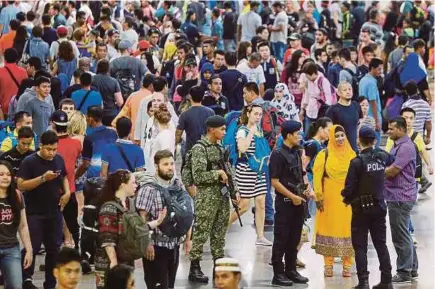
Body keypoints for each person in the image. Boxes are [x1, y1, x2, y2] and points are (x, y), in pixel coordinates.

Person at [186, 116, 239, 284]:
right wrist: (217, 174)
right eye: (222, 129)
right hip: (207, 197)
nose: (224, 132)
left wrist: (234, 191)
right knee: (201, 232)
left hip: (222, 196)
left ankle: (219, 266)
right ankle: (194, 268)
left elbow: (228, 170)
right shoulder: (200, 149)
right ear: (211, 130)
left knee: (219, 233)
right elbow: (198, 176)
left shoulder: (219, 147)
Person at [342, 126, 394, 289]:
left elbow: (349, 188)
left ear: (359, 141)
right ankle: (387, 280)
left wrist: (346, 197)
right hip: (379, 206)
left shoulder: (356, 162)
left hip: (361, 209)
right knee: (381, 244)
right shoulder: (382, 156)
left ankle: (363, 281)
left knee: (360, 246)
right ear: (375, 141)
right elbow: (392, 159)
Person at [17, 130, 70, 289]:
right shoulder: (29, 162)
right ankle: (26, 279)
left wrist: (67, 192)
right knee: (31, 247)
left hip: (54, 211)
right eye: (48, 149)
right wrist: (42, 179)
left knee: (54, 249)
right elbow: (20, 185)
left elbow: (64, 177)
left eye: (54, 149)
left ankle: (51, 283)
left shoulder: (58, 160)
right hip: (34, 213)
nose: (52, 153)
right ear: (40, 145)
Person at [136, 149, 192, 289]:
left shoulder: (178, 186)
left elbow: (187, 212)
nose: (170, 167)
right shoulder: (148, 189)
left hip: (174, 247)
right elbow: (142, 218)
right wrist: (147, 243)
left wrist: (188, 238)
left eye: (172, 163)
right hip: (155, 248)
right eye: (165, 164)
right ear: (156, 166)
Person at [269, 120, 310, 286]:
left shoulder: (297, 152)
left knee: (294, 238)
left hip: (299, 202)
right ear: (288, 135)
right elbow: (275, 181)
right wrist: (291, 196)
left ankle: (291, 270)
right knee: (281, 239)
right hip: (285, 203)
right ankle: (278, 274)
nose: (299, 137)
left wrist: (308, 190)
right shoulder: (278, 155)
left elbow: (301, 175)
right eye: (297, 134)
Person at [312, 125, 355, 277]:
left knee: (348, 229)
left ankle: (347, 265)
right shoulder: (324, 154)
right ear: (331, 137)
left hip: (347, 200)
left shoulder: (352, 154)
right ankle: (328, 264)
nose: (340, 138)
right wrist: (318, 197)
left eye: (342, 135)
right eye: (336, 136)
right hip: (328, 198)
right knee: (328, 228)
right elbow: (317, 177)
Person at [228, 104, 271, 246]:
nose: (258, 117)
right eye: (256, 114)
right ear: (248, 113)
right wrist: (251, 132)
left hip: (258, 170)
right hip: (245, 169)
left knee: (261, 202)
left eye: (260, 114)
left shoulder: (258, 129)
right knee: (244, 206)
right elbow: (242, 148)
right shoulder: (242, 130)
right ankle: (220, 228)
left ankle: (260, 236)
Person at [384, 117, 418, 283]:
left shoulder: (405, 147)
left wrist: (374, 172)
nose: (388, 132)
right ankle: (412, 268)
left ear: (401, 129)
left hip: (400, 196)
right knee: (404, 233)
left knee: (400, 236)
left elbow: (393, 170)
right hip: (398, 195)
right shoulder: (399, 145)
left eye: (391, 129)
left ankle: (404, 271)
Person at [94, 170, 137, 289]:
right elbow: (107, 238)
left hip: (125, 261)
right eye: (133, 182)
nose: (136, 185)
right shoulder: (109, 207)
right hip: (108, 264)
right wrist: (113, 263)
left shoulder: (129, 204)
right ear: (123, 185)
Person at [51, 110, 82, 252]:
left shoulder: (50, 145)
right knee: (73, 224)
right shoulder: (76, 144)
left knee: (53, 225)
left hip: (52, 191)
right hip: (71, 190)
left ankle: (55, 254)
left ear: (53, 124)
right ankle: (78, 250)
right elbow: (79, 164)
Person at [0, 160, 32, 289]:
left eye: (8, 174)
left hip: (11, 248)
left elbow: (23, 226)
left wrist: (29, 250)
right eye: (1, 174)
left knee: (16, 286)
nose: (5, 177)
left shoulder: (17, 196)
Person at [75, 106, 117, 180]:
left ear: (91, 119)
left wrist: (75, 176)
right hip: (112, 176)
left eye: (87, 116)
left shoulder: (89, 138)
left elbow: (86, 165)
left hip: (95, 179)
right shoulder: (113, 133)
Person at [176, 85, 215, 161]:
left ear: (190, 96)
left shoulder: (184, 114)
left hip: (191, 151)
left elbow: (178, 133)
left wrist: (176, 143)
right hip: (207, 150)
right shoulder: (211, 112)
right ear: (203, 97)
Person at [325, 82, 362, 151]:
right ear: (338, 93)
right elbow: (328, 130)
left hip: (354, 148)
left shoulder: (356, 105)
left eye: (349, 89)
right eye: (345, 90)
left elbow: (359, 124)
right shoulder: (333, 109)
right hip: (339, 149)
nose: (348, 92)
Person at [300, 62, 334, 136]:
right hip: (310, 112)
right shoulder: (308, 81)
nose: (306, 77)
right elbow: (306, 95)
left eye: (307, 75)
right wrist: (302, 109)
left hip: (320, 113)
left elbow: (328, 100)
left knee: (319, 136)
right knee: (307, 135)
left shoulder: (323, 81)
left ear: (312, 74)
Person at [144, 104, 176, 174]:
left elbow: (165, 157)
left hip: (161, 175)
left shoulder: (164, 135)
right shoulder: (167, 134)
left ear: (156, 120)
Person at [359, 58, 383, 147]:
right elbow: (373, 102)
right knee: (375, 144)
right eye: (379, 69)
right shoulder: (371, 83)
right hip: (373, 117)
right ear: (372, 68)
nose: (380, 72)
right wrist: (377, 121)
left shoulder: (363, 80)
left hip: (364, 116)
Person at [23, 76, 55, 143]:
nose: (47, 89)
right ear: (37, 88)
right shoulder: (30, 103)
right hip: (33, 141)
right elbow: (25, 124)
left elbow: (51, 123)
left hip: (46, 141)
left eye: (49, 87)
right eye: (44, 86)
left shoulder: (49, 105)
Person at [92, 59, 124, 126]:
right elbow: (120, 102)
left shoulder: (92, 79)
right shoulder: (114, 81)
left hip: (95, 113)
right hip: (111, 113)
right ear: (108, 69)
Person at [0, 48, 27, 117]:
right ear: (16, 58)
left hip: (3, 109)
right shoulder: (23, 72)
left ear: (5, 58)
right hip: (19, 107)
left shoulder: (0, 72)